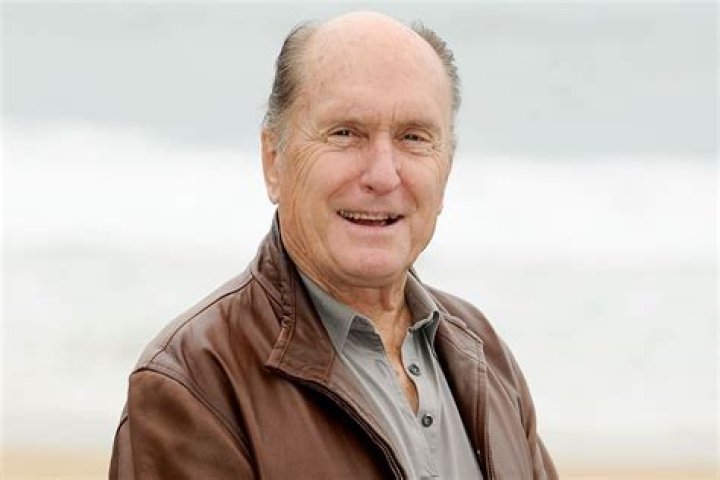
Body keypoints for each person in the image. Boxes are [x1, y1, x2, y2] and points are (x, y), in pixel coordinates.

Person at [110, 11, 557, 479]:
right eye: (345, 133)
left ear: (446, 168)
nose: (383, 175)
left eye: (413, 137)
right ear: (273, 160)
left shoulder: (482, 352)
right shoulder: (194, 383)